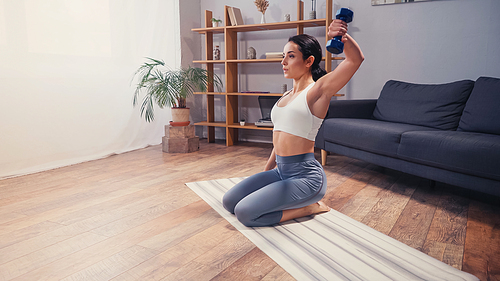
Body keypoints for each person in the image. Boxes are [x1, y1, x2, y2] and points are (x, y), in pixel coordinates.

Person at [222, 19, 364, 227]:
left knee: (245, 213)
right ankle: (287, 198)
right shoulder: (286, 95)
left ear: (308, 61)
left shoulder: (318, 90)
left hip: (306, 177)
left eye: (290, 56)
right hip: (280, 171)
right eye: (283, 56)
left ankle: (308, 207)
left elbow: (355, 60)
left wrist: (341, 37)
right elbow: (279, 140)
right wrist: (266, 173)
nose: (283, 62)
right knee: (229, 202)